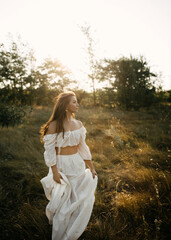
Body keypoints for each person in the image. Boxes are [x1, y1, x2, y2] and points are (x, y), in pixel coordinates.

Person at [39, 91, 98, 240]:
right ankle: (60, 233)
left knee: (79, 199)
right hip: (61, 165)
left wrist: (91, 166)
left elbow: (83, 147)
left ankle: (73, 230)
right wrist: (54, 172)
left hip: (77, 163)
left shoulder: (79, 124)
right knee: (64, 201)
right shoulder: (54, 126)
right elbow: (50, 151)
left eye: (77, 101)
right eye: (74, 102)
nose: (77, 104)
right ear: (66, 106)